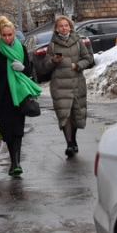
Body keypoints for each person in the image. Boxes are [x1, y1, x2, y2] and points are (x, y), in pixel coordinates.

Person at [0, 16, 41, 175]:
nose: (8, 38)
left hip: (19, 95)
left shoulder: (21, 49)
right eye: (4, 35)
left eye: (10, 35)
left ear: (14, 34)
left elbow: (30, 72)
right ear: (0, 36)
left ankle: (16, 163)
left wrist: (22, 68)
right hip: (3, 96)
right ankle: (13, 158)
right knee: (7, 131)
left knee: (17, 129)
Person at [43, 15, 93, 157]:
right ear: (56, 28)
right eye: (61, 26)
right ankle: (69, 144)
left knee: (75, 114)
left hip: (76, 82)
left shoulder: (77, 41)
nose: (64, 28)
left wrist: (77, 65)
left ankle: (73, 139)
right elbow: (46, 65)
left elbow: (88, 58)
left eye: (66, 25)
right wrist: (54, 60)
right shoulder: (53, 44)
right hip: (60, 85)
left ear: (70, 26)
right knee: (64, 114)